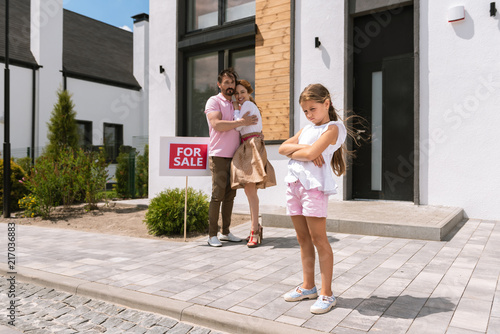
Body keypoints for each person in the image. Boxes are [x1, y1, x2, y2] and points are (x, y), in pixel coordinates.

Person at [278, 83, 348, 314]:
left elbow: (307, 153)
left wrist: (304, 152)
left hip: (314, 189)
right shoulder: (308, 129)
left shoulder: (333, 128)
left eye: (313, 109)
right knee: (302, 238)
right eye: (305, 110)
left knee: (319, 239)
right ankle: (308, 286)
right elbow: (281, 148)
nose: (309, 114)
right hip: (294, 186)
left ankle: (327, 294)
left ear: (326, 103)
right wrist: (306, 151)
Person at [204, 68, 258, 247]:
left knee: (230, 196)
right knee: (217, 195)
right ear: (219, 84)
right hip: (219, 155)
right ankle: (212, 235)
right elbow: (217, 124)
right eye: (225, 82)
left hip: (236, 156)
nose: (229, 85)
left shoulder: (237, 104)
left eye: (232, 82)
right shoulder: (214, 101)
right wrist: (242, 122)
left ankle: (225, 232)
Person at [230, 79, 276, 248]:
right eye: (236, 93)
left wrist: (235, 107)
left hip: (251, 147)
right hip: (250, 146)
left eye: (242, 92)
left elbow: (236, 127)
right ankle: (255, 227)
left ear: (249, 93)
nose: (239, 96)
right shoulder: (249, 107)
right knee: (250, 191)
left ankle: (254, 230)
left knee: (250, 190)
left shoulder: (247, 106)